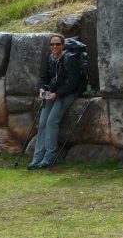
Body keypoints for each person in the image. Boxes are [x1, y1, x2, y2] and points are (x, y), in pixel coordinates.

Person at [28, 33, 83, 170]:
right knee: (42, 123)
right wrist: (42, 89)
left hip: (66, 94)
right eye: (52, 44)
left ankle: (49, 158)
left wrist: (57, 94)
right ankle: (37, 158)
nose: (54, 46)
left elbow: (73, 83)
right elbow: (44, 76)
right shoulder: (51, 58)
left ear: (63, 46)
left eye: (57, 44)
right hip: (51, 93)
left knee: (52, 122)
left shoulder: (70, 59)